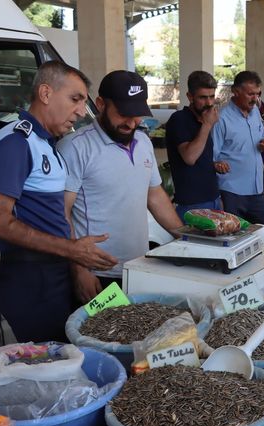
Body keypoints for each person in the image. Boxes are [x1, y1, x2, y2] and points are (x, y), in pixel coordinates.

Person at [0, 61, 116, 342]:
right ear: (45, 93)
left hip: (56, 271)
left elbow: (56, 216)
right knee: (55, 365)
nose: (81, 112)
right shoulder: (16, 142)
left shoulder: (46, 144)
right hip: (31, 280)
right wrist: (72, 250)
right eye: (75, 99)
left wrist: (77, 263)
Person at [60, 70, 182, 302]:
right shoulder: (75, 147)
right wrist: (79, 269)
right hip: (97, 274)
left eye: (138, 114)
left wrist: (186, 238)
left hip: (139, 267)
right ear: (100, 104)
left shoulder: (144, 142)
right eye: (124, 113)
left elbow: (155, 195)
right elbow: (61, 211)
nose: (132, 122)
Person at [165, 71, 229, 220]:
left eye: (212, 97)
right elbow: (189, 157)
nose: (209, 103)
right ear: (190, 97)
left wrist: (213, 165)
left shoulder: (202, 121)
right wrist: (207, 125)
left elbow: (199, 157)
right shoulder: (179, 119)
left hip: (213, 199)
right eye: (203, 97)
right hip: (191, 205)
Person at [212, 71, 264, 224]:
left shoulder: (255, 112)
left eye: (257, 94)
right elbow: (212, 156)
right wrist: (217, 164)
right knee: (235, 235)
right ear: (236, 92)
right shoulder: (221, 118)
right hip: (232, 192)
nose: (255, 99)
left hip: (257, 189)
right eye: (250, 94)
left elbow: (261, 138)